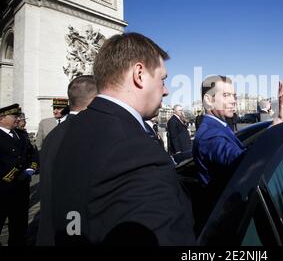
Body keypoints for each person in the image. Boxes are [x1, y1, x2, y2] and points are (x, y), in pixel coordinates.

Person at [48, 33, 195, 245]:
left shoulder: (71, 128)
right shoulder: (134, 148)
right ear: (139, 74)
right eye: (162, 79)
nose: (165, 90)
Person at [193, 75, 283, 189]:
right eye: (226, 95)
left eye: (234, 96)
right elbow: (244, 162)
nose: (233, 101)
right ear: (208, 100)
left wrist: (277, 121)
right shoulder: (210, 136)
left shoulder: (217, 127)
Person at [37, 75, 97, 246]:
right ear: (95, 99)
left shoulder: (54, 133)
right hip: (76, 229)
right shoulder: (90, 132)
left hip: (53, 227)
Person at [0, 104, 39, 246]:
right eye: (14, 116)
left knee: (19, 228)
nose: (18, 119)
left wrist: (31, 169)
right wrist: (10, 176)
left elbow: (33, 154)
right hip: (2, 190)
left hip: (21, 190)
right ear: (2, 118)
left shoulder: (21, 134)